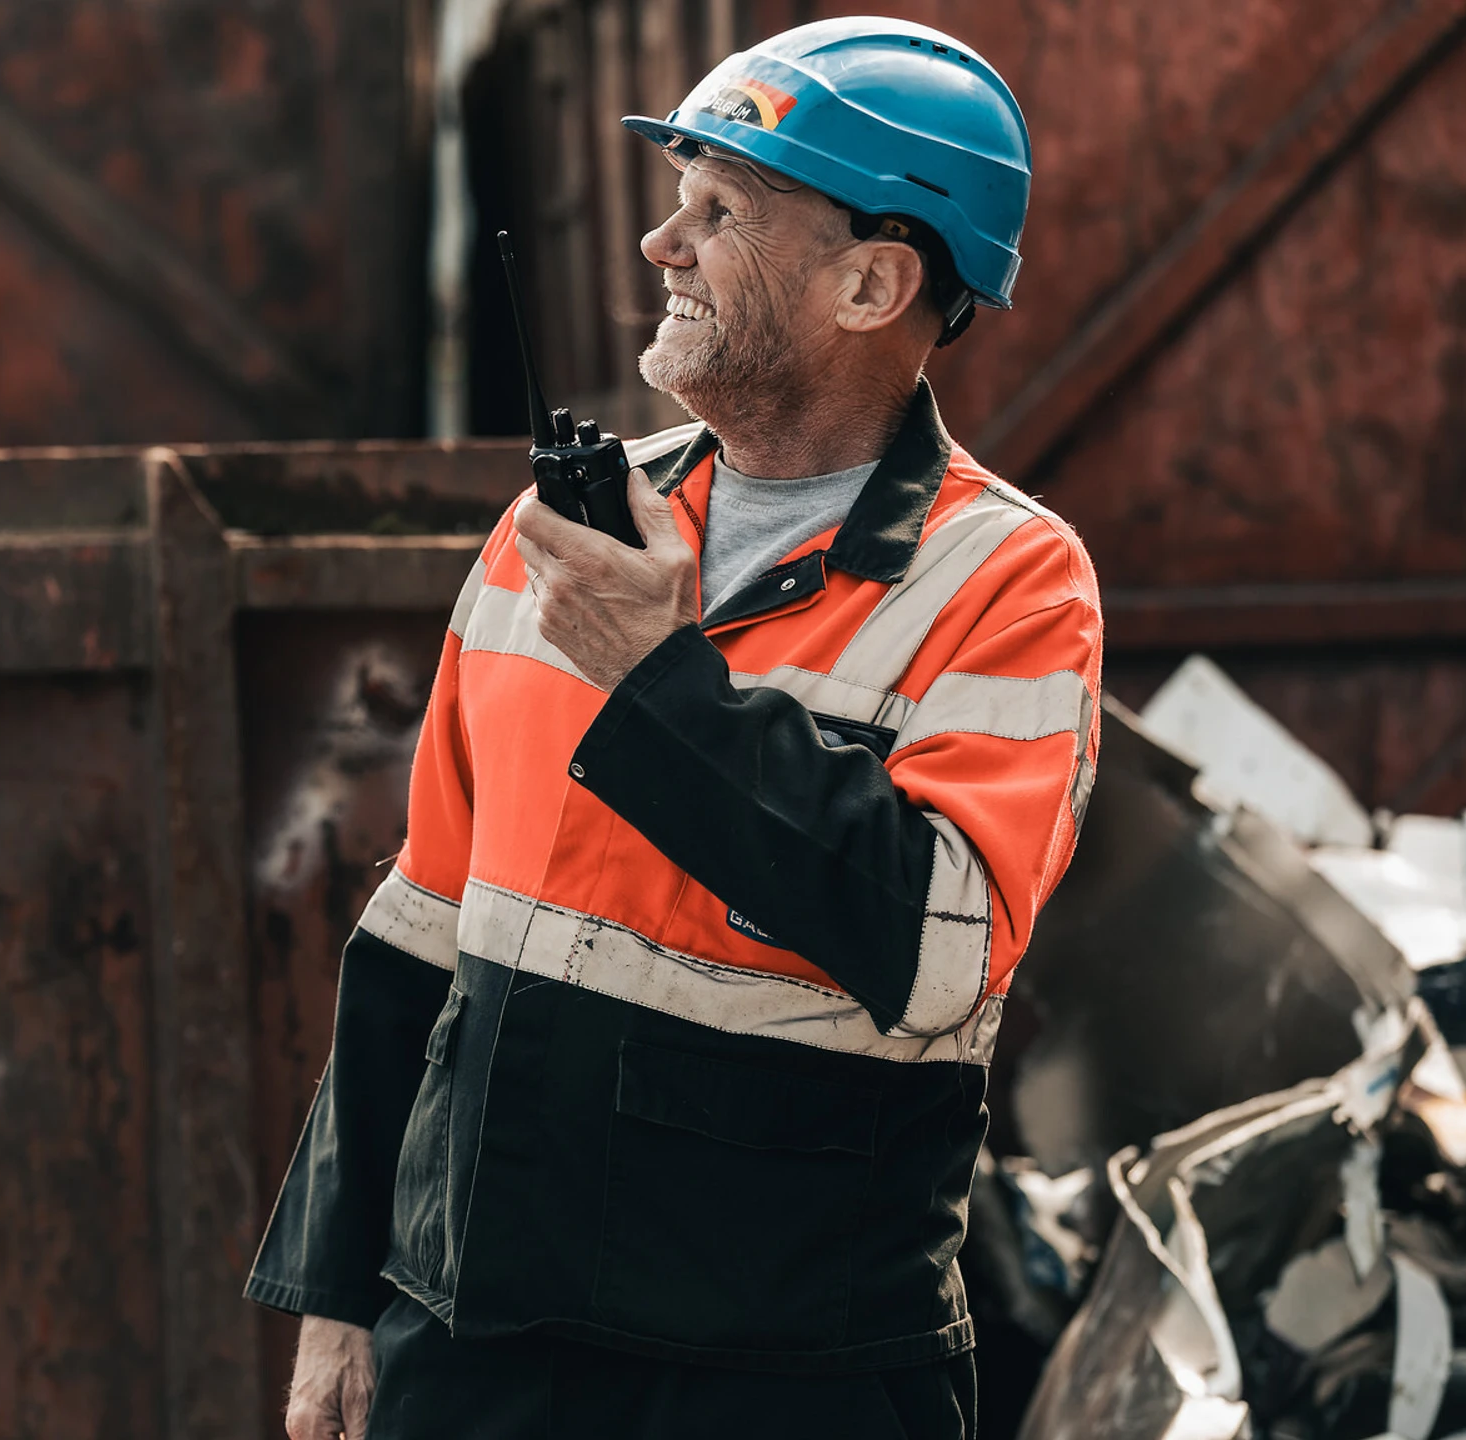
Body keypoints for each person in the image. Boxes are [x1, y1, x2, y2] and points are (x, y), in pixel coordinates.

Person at [245, 17, 1102, 1440]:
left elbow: (940, 949)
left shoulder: (1006, 582)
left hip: (784, 1380)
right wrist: (342, 1297)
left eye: (720, 211)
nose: (661, 244)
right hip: (478, 1353)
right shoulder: (561, 540)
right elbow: (421, 931)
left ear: (874, 281)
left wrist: (659, 683)